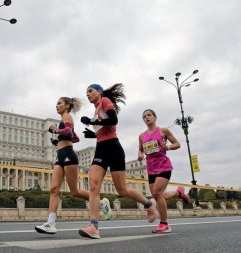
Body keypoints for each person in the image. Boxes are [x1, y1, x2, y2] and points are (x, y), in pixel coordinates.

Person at [78, 83, 157, 239]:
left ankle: (149, 204)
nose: (87, 94)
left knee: (122, 190)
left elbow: (114, 121)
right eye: (86, 92)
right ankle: (93, 226)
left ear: (99, 92)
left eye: (90, 91)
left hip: (114, 148)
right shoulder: (96, 110)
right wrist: (92, 134)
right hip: (101, 148)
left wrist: (93, 122)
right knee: (93, 185)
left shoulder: (105, 101)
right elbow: (103, 130)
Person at [35, 97, 111, 235]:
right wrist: (59, 139)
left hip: (69, 155)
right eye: (56, 103)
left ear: (67, 105)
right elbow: (75, 137)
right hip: (60, 155)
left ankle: (101, 204)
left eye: (59, 103)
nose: (56, 106)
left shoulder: (67, 116)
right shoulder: (63, 119)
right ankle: (50, 223)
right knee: (53, 189)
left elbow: (69, 132)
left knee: (74, 191)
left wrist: (56, 131)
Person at [138, 109, 191, 233]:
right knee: (158, 196)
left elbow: (177, 144)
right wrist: (140, 155)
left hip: (163, 165)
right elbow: (140, 150)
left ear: (155, 117)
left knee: (156, 192)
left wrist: (167, 146)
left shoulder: (163, 131)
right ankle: (179, 192)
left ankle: (164, 224)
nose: (147, 118)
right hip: (151, 167)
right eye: (144, 116)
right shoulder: (141, 136)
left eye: (149, 115)